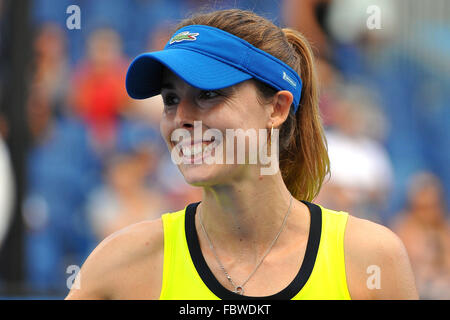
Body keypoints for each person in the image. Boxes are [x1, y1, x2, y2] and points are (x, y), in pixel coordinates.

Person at [66, 9, 417, 300]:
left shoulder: (371, 259)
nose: (181, 118)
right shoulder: (120, 264)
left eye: (207, 94)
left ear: (277, 109)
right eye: (171, 99)